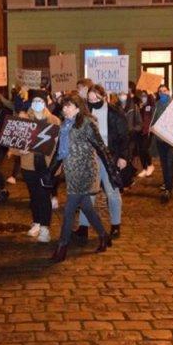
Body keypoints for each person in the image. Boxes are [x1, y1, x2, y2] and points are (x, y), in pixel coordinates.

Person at [42, 93, 121, 262]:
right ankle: (103, 235)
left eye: (69, 106)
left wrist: (113, 172)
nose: (65, 109)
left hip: (85, 172)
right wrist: (50, 173)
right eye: (63, 106)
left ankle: (62, 247)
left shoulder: (87, 123)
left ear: (78, 108)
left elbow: (101, 147)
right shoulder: (65, 125)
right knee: (87, 208)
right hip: (71, 173)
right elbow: (59, 152)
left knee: (69, 210)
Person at [74, 84, 129, 242]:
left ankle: (115, 225)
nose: (92, 102)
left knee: (112, 191)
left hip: (109, 156)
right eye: (89, 99)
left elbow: (123, 137)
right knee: (88, 192)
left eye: (95, 99)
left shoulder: (115, 113)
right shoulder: (85, 112)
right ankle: (84, 227)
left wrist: (123, 156)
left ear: (103, 97)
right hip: (90, 156)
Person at [15, 89, 60, 243]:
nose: (37, 104)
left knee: (44, 196)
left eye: (40, 101)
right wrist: (20, 150)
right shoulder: (24, 119)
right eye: (35, 101)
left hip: (46, 165)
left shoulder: (54, 121)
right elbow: (13, 145)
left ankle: (45, 227)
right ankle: (37, 222)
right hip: (29, 165)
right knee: (34, 196)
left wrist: (56, 168)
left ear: (45, 103)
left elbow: (58, 146)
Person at [152, 85, 173, 203]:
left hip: (170, 140)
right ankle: (167, 185)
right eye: (160, 91)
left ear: (169, 91)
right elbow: (154, 120)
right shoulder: (157, 105)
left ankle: (169, 189)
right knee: (164, 165)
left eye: (164, 91)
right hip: (160, 139)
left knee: (170, 164)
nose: (162, 93)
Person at [135, 90, 156, 178]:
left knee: (144, 149)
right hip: (139, 131)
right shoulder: (139, 106)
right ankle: (144, 167)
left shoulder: (150, 106)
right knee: (140, 151)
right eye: (141, 96)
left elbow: (152, 116)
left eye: (145, 96)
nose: (143, 98)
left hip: (147, 131)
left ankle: (150, 165)